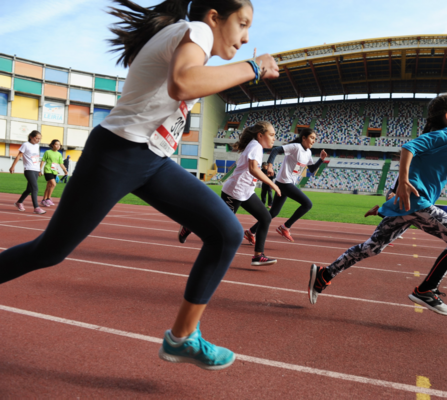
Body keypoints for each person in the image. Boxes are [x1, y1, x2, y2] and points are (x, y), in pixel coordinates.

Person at [0, 0, 279, 370]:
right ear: (214, 17)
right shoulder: (195, 29)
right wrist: (253, 68)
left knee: (226, 233)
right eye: (242, 24)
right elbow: (182, 83)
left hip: (152, 159)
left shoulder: (186, 39)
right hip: (118, 153)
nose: (244, 38)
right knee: (48, 252)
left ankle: (182, 337)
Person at [308, 92, 447, 316]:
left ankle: (325, 275)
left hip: (406, 206)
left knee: (371, 248)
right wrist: (404, 181)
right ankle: (426, 290)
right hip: (418, 202)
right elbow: (409, 147)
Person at [178, 121, 281, 266]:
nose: (274, 138)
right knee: (221, 225)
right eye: (271, 135)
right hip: (234, 192)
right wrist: (272, 184)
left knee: (265, 218)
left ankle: (258, 256)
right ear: (260, 135)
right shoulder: (256, 146)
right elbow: (253, 169)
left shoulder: (256, 146)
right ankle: (190, 226)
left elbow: (252, 169)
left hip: (246, 192)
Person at [245, 128, 327, 243]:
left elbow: (312, 169)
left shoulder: (308, 152)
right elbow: (275, 150)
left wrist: (321, 159)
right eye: (312, 138)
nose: (314, 141)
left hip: (287, 183)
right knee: (307, 204)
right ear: (304, 138)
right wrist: (270, 166)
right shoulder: (296, 147)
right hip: (284, 182)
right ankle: (285, 227)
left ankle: (251, 231)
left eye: (315, 139)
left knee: (273, 212)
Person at [9, 130, 46, 215]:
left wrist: (39, 170)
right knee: (35, 188)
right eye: (37, 138)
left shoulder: (37, 146)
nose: (38, 140)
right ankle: (36, 208)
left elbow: (36, 158)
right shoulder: (25, 145)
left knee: (29, 189)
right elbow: (19, 155)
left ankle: (19, 202)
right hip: (29, 169)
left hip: (36, 170)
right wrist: (12, 166)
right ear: (31, 137)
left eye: (40, 139)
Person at [40, 139, 69, 206]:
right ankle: (48, 199)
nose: (58, 146)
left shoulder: (59, 154)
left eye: (59, 145)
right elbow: (43, 161)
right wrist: (40, 170)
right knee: (53, 184)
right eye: (56, 144)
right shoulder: (47, 152)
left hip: (54, 171)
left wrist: (65, 170)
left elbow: (61, 164)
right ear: (52, 145)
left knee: (48, 186)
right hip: (48, 170)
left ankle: (43, 200)